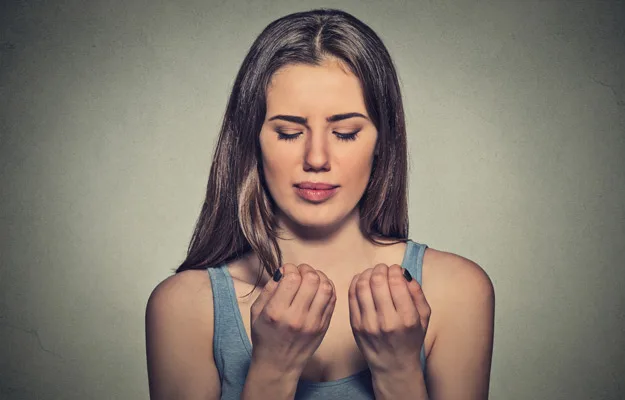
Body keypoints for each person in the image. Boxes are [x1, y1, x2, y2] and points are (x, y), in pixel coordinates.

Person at [145, 8, 494, 400]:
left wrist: (398, 373)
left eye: (344, 133)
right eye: (290, 132)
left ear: (382, 143)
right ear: (252, 142)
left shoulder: (457, 291)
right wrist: (273, 371)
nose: (316, 157)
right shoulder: (184, 307)